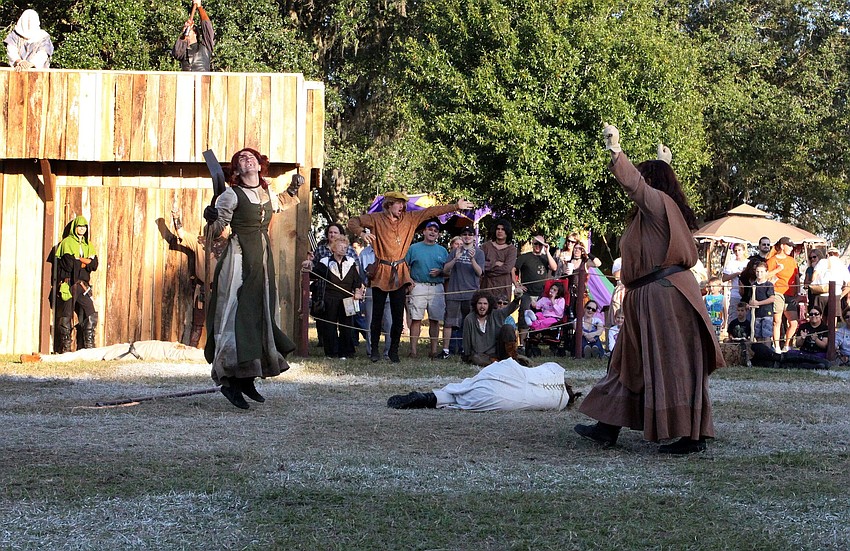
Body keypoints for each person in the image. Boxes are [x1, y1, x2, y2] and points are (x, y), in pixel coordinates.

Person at [574, 124, 724, 455]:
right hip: (650, 295)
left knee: (672, 362)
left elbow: (634, 185)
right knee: (627, 360)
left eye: (646, 178)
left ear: (652, 183)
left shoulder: (657, 204)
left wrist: (616, 150)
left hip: (664, 295)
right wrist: (663, 164)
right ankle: (607, 426)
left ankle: (690, 436)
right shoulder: (654, 214)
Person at [203, 148, 298, 409]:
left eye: (252, 157)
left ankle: (248, 376)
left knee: (259, 315)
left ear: (259, 166)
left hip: (262, 260)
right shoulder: (230, 195)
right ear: (236, 171)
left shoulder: (267, 192)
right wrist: (211, 218)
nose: (248, 160)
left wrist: (293, 190)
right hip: (238, 259)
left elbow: (280, 203)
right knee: (235, 316)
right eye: (241, 159)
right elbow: (217, 229)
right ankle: (228, 379)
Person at [348, 192, 473, 363]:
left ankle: (394, 351)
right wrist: (362, 233)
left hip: (400, 272)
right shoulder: (375, 218)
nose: (402, 207)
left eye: (403, 204)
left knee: (398, 316)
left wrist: (455, 207)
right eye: (399, 203)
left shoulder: (410, 218)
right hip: (381, 272)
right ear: (389, 204)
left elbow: (432, 211)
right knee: (376, 315)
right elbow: (352, 221)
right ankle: (375, 350)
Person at [386, 358, 580, 411]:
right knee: (468, 397)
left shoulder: (554, 371)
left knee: (472, 385)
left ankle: (429, 397)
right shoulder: (556, 402)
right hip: (497, 400)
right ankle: (431, 399)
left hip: (505, 380)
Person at [312, 235, 363, 359]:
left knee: (347, 326)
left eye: (345, 247)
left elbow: (357, 280)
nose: (343, 249)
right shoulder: (325, 262)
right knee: (330, 326)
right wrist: (308, 264)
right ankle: (332, 352)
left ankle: (346, 352)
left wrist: (357, 291)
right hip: (330, 298)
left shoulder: (350, 261)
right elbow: (314, 275)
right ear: (333, 248)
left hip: (347, 298)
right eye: (340, 247)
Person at [53, 216, 99, 352]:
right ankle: (65, 348)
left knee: (91, 313)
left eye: (84, 227)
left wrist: (79, 260)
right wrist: (86, 262)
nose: (82, 229)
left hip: (83, 285)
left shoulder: (88, 244)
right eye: (79, 226)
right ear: (75, 227)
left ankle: (89, 347)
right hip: (70, 285)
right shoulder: (67, 243)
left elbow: (95, 264)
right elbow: (69, 264)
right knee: (66, 315)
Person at [404, 220, 448, 358]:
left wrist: (440, 272)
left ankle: (434, 350)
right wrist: (408, 281)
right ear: (424, 231)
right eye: (430, 229)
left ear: (438, 234)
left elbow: (448, 271)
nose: (432, 232)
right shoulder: (413, 248)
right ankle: (413, 350)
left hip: (437, 287)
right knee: (416, 318)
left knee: (435, 320)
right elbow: (404, 266)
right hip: (418, 285)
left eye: (435, 231)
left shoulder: (443, 250)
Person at [440, 225, 486, 359]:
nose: (467, 236)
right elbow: (446, 270)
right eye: (464, 234)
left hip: (471, 294)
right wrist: (455, 259)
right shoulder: (455, 251)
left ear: (474, 237)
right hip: (454, 292)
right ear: (461, 236)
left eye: (470, 234)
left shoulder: (479, 253)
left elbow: (480, 272)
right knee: (449, 322)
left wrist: (472, 259)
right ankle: (445, 350)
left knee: (470, 322)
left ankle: (469, 349)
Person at [462, 290, 528, 367]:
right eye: (479, 303)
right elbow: (466, 340)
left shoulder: (496, 314)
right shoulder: (469, 319)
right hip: (481, 355)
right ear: (475, 304)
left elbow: (509, 309)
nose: (482, 306)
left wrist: (516, 298)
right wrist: (467, 356)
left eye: (485, 304)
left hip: (498, 351)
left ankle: (512, 359)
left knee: (508, 328)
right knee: (476, 358)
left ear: (489, 305)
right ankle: (500, 364)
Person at [514, 235, 558, 348]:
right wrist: (517, 284)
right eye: (535, 243)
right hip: (527, 293)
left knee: (540, 317)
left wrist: (547, 251)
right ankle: (522, 344)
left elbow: (554, 268)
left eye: (540, 244)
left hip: (541, 294)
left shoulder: (545, 258)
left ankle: (535, 342)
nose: (537, 246)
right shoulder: (525, 257)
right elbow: (513, 269)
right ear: (532, 244)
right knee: (524, 313)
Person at [766, 237, 800, 353]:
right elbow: (765, 276)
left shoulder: (792, 261)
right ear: (782, 246)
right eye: (789, 245)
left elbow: (796, 278)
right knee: (777, 321)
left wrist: (797, 293)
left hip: (790, 294)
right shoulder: (772, 260)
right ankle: (777, 346)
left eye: (791, 246)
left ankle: (787, 345)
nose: (791, 248)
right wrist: (777, 270)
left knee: (793, 323)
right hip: (777, 292)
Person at [480, 218, 518, 302]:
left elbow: (507, 269)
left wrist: (489, 267)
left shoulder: (512, 249)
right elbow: (480, 265)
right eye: (498, 229)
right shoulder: (485, 246)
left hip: (503, 286)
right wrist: (495, 263)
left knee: (502, 310)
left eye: (503, 229)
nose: (500, 231)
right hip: (487, 285)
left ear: (507, 232)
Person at [172, 0, 215, 72]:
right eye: (184, 29)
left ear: (195, 32)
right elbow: (176, 53)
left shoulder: (206, 46)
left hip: (203, 81)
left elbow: (207, 27)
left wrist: (199, 7)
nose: (186, 30)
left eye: (189, 29)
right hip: (187, 82)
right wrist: (185, 33)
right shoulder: (182, 51)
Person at [810, 246, 850, 316]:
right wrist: (841, 295)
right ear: (837, 255)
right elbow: (848, 284)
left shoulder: (822, 261)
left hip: (821, 293)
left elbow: (814, 277)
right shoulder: (841, 265)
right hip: (835, 294)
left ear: (827, 254)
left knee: (820, 318)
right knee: (833, 318)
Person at [721, 242, 749, 326]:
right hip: (735, 293)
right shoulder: (731, 263)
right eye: (735, 250)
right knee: (733, 316)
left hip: (747, 294)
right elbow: (724, 278)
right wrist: (736, 273)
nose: (737, 252)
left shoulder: (748, 263)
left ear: (744, 251)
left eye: (739, 250)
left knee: (747, 317)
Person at [749, 261, 775, 344]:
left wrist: (758, 303)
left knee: (766, 335)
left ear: (766, 272)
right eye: (757, 271)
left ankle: (767, 353)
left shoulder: (769, 284)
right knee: (758, 336)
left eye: (761, 272)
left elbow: (772, 299)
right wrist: (750, 304)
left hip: (766, 313)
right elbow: (750, 299)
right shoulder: (753, 285)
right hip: (756, 314)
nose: (759, 274)